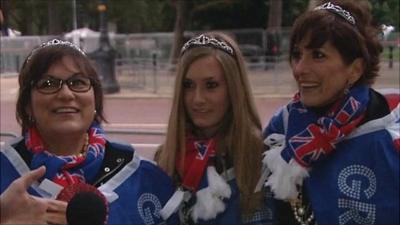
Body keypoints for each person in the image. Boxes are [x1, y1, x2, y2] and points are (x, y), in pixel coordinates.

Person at [0, 39, 178, 225]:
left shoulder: (144, 178)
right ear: (28, 104)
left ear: (95, 99)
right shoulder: (6, 170)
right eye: (48, 84)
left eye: (77, 82)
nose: (66, 94)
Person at [262, 1, 399, 225]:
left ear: (355, 69)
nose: (299, 69)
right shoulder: (281, 127)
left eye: (318, 55)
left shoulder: (389, 139)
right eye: (297, 54)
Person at [155, 32, 275, 224]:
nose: (198, 99)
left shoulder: (265, 157)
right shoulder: (164, 159)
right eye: (188, 85)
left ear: (234, 90)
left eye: (211, 85)